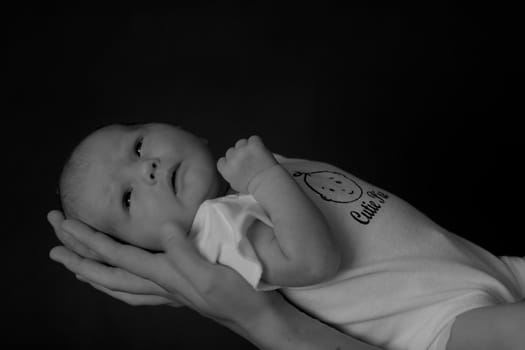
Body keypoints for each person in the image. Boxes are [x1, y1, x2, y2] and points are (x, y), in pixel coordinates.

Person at [51, 122, 525, 350]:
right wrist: (266, 179)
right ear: (147, 247)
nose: (147, 168)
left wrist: (257, 178)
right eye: (128, 198)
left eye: (137, 145)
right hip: (442, 326)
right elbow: (313, 261)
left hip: (474, 270)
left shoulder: (240, 183)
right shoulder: (217, 233)